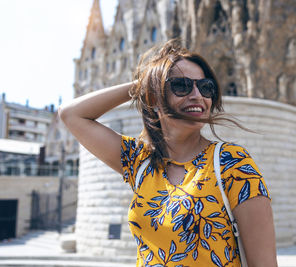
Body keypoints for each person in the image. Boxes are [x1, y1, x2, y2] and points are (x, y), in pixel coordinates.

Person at [59, 39, 277, 267]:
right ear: (154, 97)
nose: (197, 95)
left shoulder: (231, 162)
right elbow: (71, 115)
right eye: (181, 85)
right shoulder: (140, 161)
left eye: (205, 87)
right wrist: (144, 83)